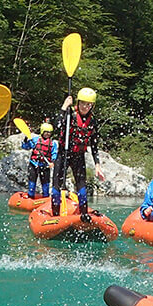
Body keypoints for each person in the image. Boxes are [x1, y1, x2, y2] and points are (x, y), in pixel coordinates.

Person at [50, 87, 105, 220]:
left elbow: (94, 144)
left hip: (78, 157)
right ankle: (55, 216)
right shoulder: (69, 114)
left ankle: (84, 215)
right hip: (63, 155)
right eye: (83, 103)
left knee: (82, 187)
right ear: (78, 103)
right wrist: (64, 106)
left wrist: (97, 165)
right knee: (57, 186)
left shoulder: (92, 121)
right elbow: (56, 126)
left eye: (88, 104)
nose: (85, 107)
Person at [21, 122, 58, 199]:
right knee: (32, 182)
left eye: (49, 132)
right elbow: (25, 147)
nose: (48, 134)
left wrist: (53, 162)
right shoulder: (35, 140)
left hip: (45, 166)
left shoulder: (53, 143)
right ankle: (31, 196)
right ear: (42, 132)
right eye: (46, 132)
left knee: (45, 184)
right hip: (34, 164)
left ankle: (46, 197)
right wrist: (25, 140)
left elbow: (54, 154)